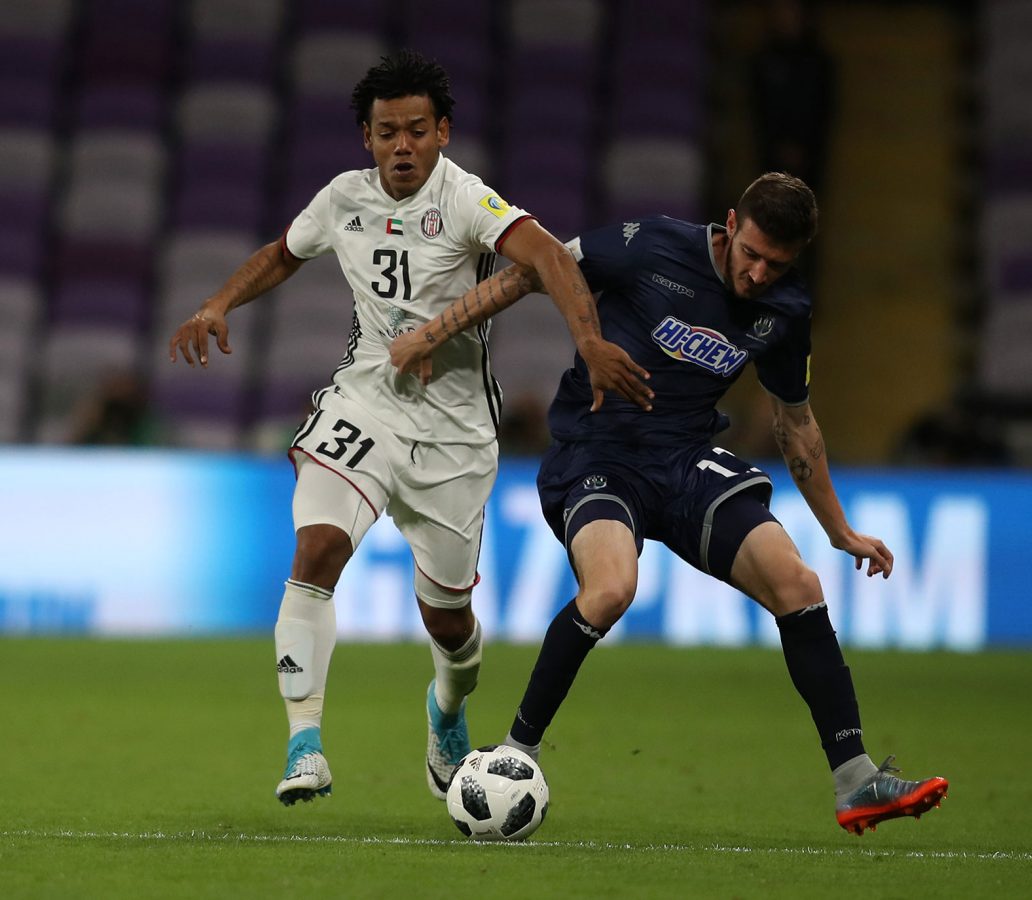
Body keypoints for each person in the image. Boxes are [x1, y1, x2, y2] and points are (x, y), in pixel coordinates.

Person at [389, 172, 949, 835]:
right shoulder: (648, 245)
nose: (760, 273)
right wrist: (429, 335)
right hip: (597, 454)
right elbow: (536, 270)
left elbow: (795, 424)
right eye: (753, 254)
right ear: (732, 223)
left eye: (778, 263)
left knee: (797, 583)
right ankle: (516, 752)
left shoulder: (786, 309)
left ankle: (856, 781)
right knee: (611, 589)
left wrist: (840, 529)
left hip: (684, 461)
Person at [168, 50, 652, 806]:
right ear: (366, 137)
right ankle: (305, 744)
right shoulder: (342, 198)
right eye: (387, 131)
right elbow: (281, 255)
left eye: (417, 131)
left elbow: (550, 256)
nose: (402, 146)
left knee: (449, 623)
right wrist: (219, 303)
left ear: (443, 133)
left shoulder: (466, 201)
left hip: (455, 434)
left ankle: (447, 710)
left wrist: (587, 340)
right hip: (366, 402)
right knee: (317, 548)